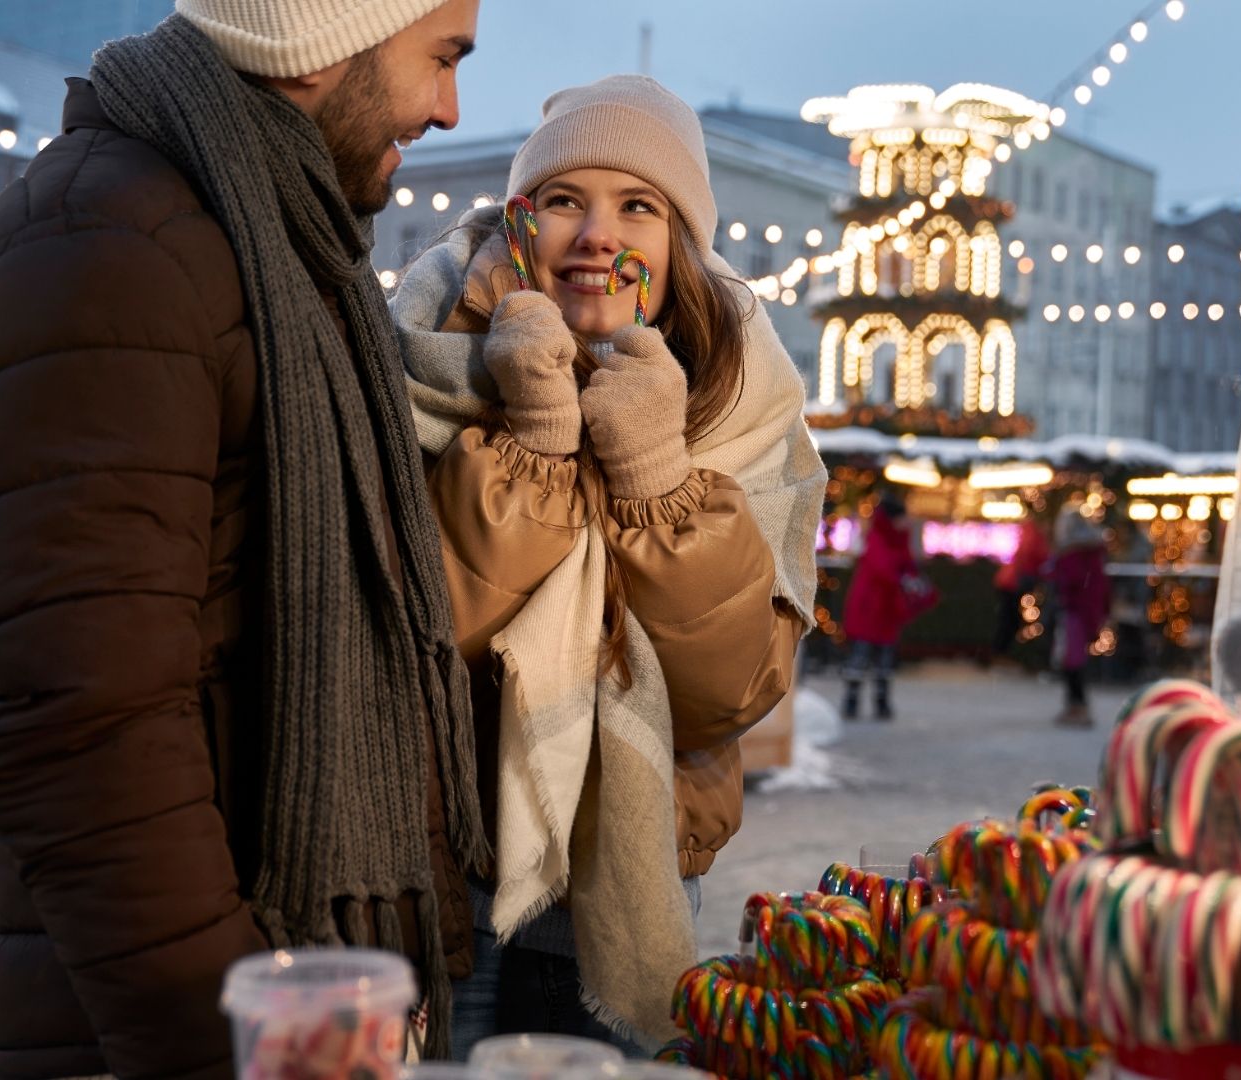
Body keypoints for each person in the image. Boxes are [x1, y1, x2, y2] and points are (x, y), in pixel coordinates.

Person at [0, 2, 486, 1075]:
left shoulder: (263, 241)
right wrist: (255, 1044)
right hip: (190, 1027)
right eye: (442, 57)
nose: (449, 109)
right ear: (325, 42)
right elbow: (81, 733)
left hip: (279, 995)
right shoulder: (101, 255)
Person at [390, 75, 826, 1052]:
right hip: (439, 876)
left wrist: (659, 479)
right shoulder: (418, 363)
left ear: (681, 244)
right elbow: (428, 625)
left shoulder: (747, 408)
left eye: (639, 206)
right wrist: (537, 437)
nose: (597, 233)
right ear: (517, 223)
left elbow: (729, 691)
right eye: (562, 201)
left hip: (622, 886)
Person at [839, 497, 932, 721]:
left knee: (884, 658)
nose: (906, 522)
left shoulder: (898, 538)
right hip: (869, 607)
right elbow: (883, 569)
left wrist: (912, 579)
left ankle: (881, 702)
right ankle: (852, 701)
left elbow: (904, 565)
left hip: (886, 609)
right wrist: (904, 579)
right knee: (860, 657)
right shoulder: (877, 537)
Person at [1047, 505, 1111, 727]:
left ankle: (1077, 706)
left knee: (1072, 660)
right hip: (1085, 611)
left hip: (1075, 611)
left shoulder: (1074, 554)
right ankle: (1076, 705)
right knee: (1073, 659)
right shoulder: (1091, 553)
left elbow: (1070, 581)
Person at [991, 514, 1048, 660]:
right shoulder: (1034, 534)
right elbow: (1035, 556)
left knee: (1009, 618)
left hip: (1010, 581)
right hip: (1015, 582)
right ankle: (1002, 653)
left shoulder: (1027, 531)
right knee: (1011, 619)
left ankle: (1001, 653)